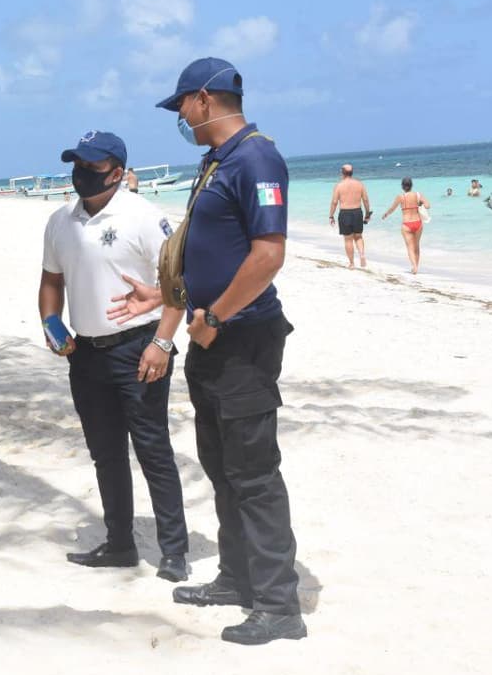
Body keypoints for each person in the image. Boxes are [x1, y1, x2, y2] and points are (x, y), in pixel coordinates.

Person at [151, 57, 305, 644]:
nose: (181, 117)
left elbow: (269, 254)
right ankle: (236, 577)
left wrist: (217, 314)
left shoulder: (257, 157)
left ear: (206, 99)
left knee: (254, 472)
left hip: (241, 339)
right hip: (208, 336)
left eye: (182, 105)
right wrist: (173, 299)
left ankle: (278, 607)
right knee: (221, 467)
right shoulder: (214, 161)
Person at [38, 130, 190, 582]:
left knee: (153, 451)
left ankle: (175, 551)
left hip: (139, 349)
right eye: (77, 165)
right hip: (85, 356)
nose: (81, 174)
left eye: (91, 167)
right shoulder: (60, 222)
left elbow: (178, 285)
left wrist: (161, 343)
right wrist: (51, 323)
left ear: (118, 173)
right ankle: (119, 543)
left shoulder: (143, 217)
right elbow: (51, 281)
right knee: (105, 455)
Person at [381, 176, 430, 274]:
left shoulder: (400, 197)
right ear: (411, 185)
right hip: (418, 223)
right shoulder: (418, 195)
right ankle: (416, 265)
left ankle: (414, 266)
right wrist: (419, 203)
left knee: (410, 247)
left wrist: (386, 214)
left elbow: (392, 208)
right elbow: (428, 206)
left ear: (402, 186)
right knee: (416, 246)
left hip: (406, 224)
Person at [327, 163, 372, 269]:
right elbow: (365, 199)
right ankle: (362, 255)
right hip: (357, 212)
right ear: (352, 173)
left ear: (342, 173)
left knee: (348, 239)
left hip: (345, 213)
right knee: (358, 236)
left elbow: (334, 202)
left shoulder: (339, 186)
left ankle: (352, 263)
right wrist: (367, 213)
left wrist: (331, 216)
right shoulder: (359, 184)